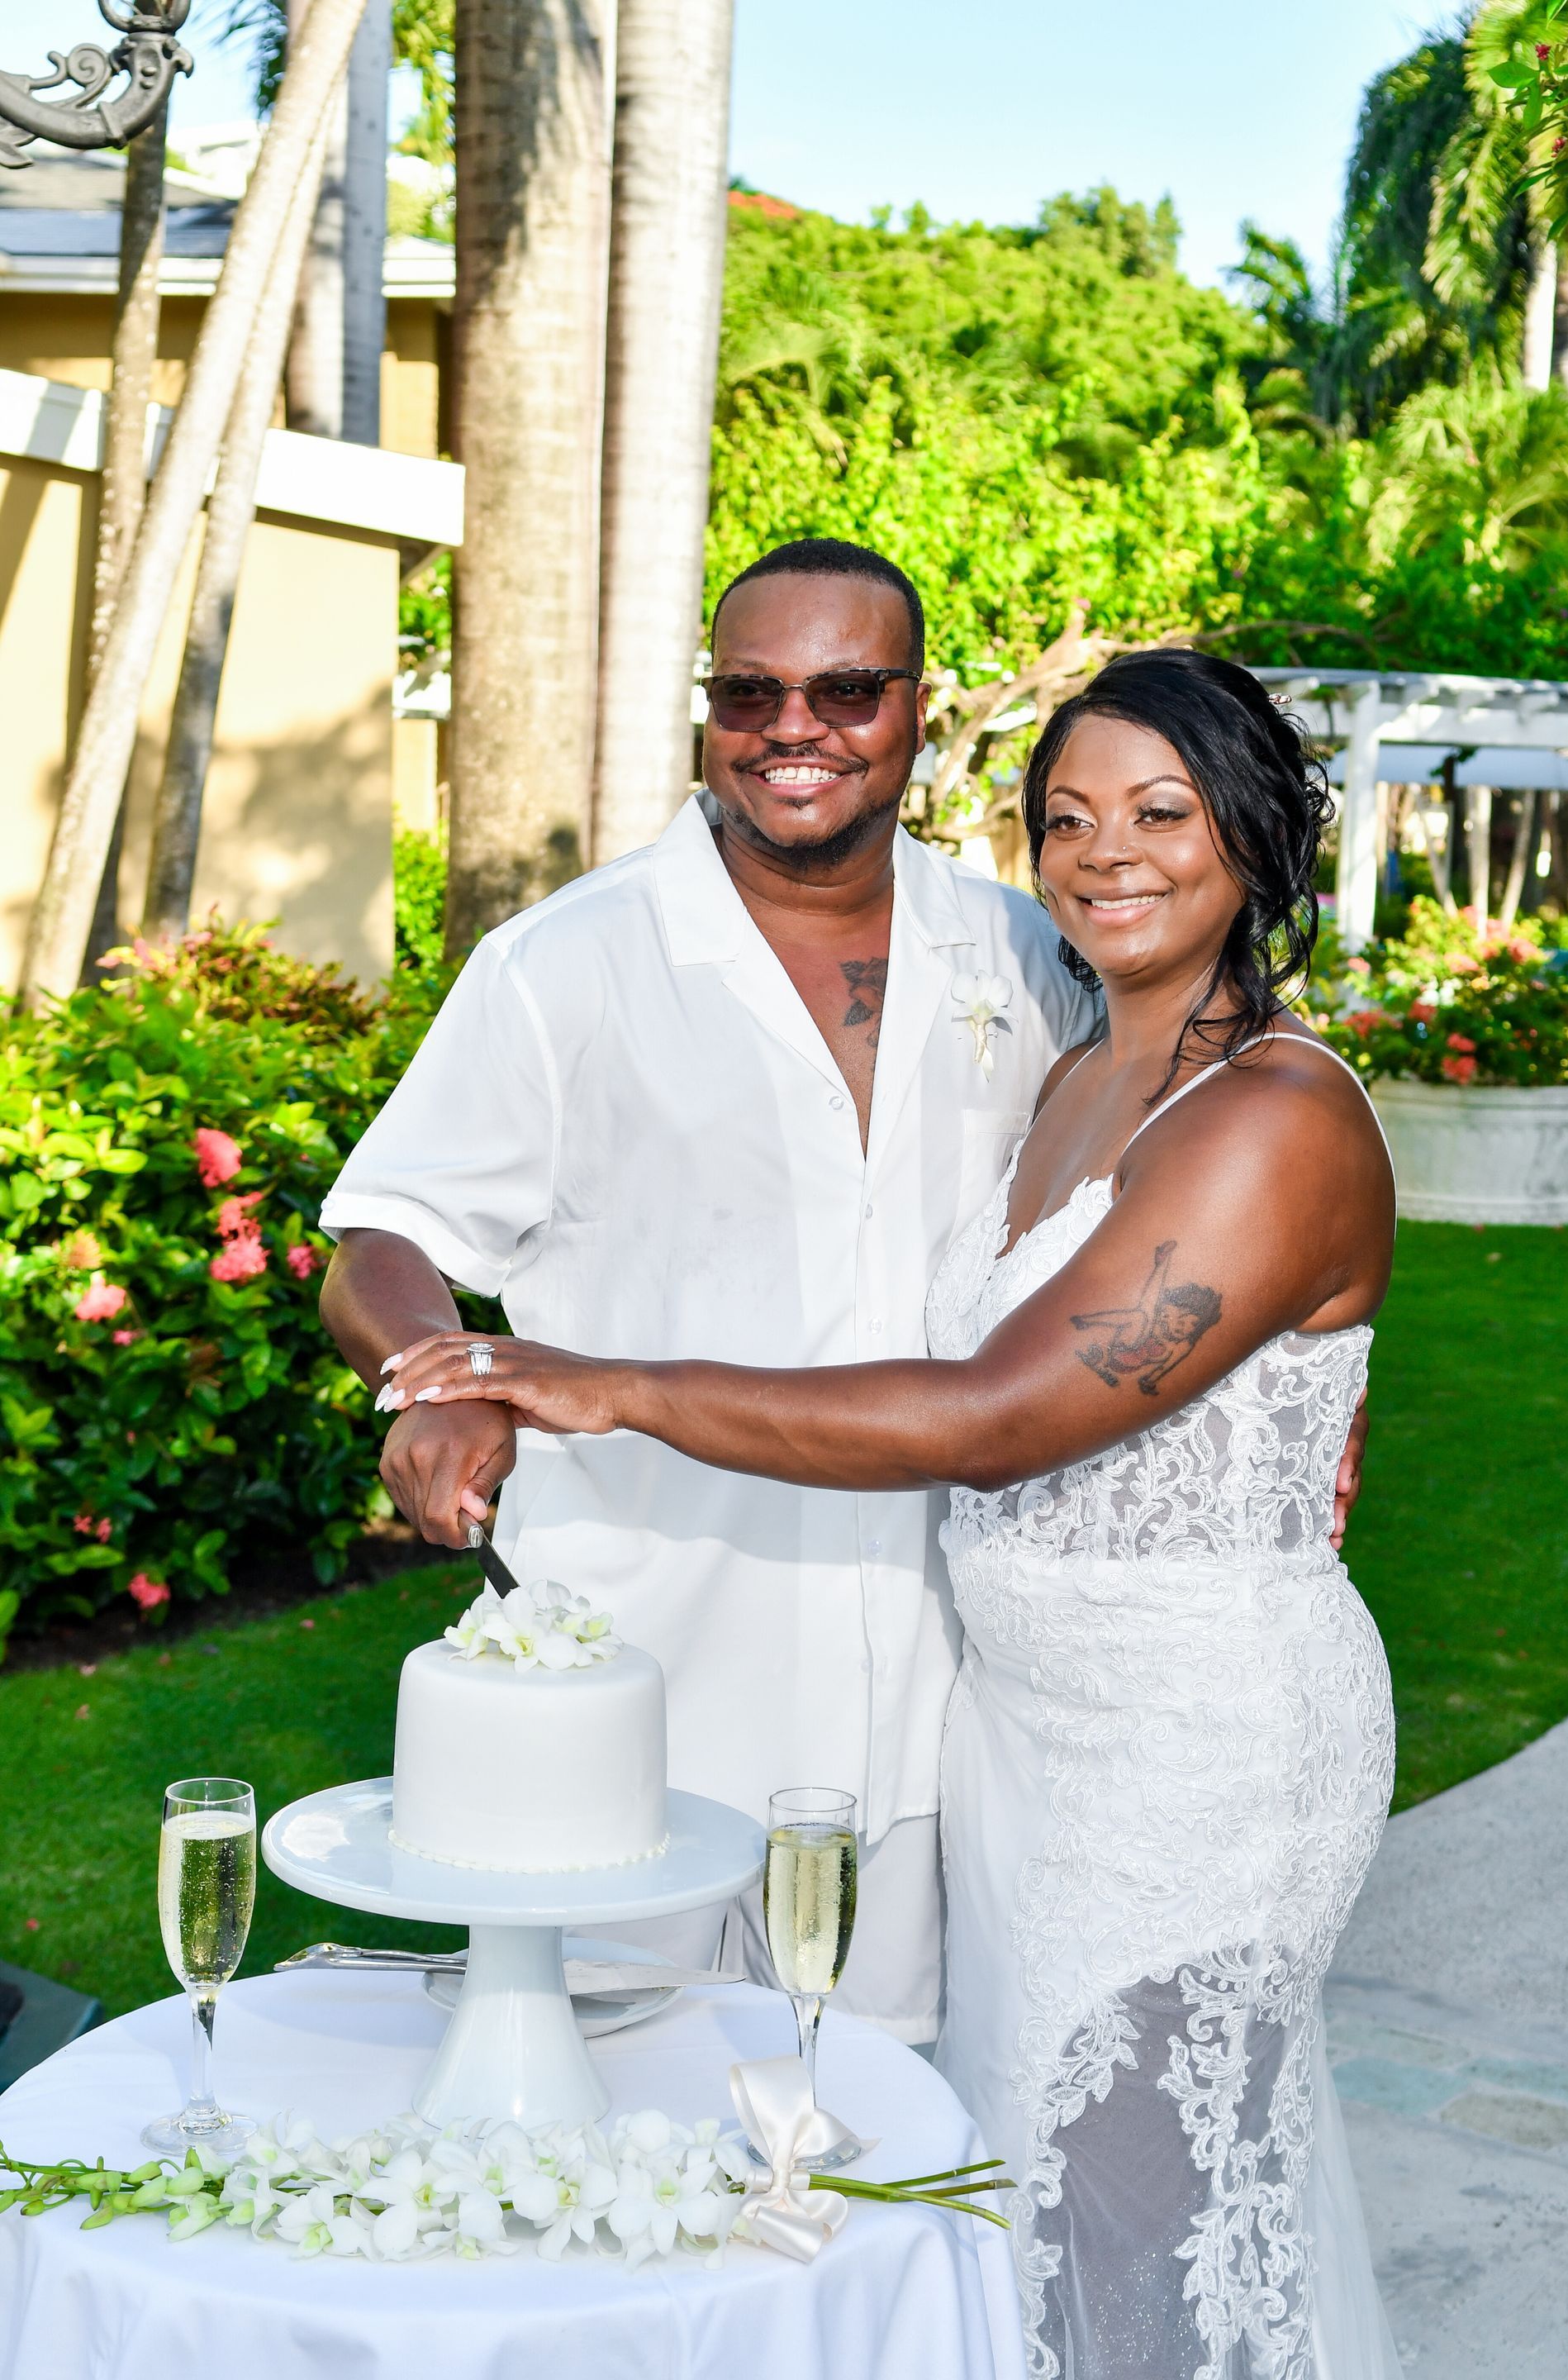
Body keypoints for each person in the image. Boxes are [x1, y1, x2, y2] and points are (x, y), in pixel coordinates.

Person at [381, 650, 1403, 2379]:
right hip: (1015, 1736)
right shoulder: (1076, 1066)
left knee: (1141, 2200)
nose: (1108, 853)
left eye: (1165, 813)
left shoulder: (1278, 1117)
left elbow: (1001, 1417)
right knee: (1017, 2185)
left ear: (1258, 836)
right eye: (1067, 817)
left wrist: (605, 1382)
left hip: (1199, 1753)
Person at [320, 538, 1103, 2045]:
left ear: (918, 710)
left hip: (939, 1700)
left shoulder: (1021, 950)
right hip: (637, 1687)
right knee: (606, 2134)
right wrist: (437, 1376)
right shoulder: (568, 964)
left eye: (845, 690)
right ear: (711, 710)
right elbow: (385, 1233)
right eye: (751, 691)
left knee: (882, 2153)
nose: (792, 727)